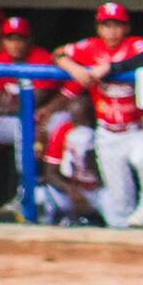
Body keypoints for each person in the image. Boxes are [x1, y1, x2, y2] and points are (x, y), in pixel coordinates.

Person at [54, 2, 143, 229]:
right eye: (106, 25)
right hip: (108, 132)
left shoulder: (135, 44)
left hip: (136, 128)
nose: (112, 31)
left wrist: (110, 68)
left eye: (117, 25)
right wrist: (74, 68)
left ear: (127, 27)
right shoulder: (91, 47)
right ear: (98, 28)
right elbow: (58, 52)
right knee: (120, 198)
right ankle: (128, 243)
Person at [0, 16, 58, 211]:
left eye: (20, 39)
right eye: (10, 39)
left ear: (30, 40)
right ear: (3, 40)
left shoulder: (41, 58)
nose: (15, 44)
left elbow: (32, 102)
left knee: (21, 128)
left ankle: (25, 194)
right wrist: (9, 106)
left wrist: (9, 105)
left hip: (39, 124)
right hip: (8, 122)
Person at [37, 95, 113, 226]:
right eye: (75, 119)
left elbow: (110, 175)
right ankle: (55, 223)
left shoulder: (103, 132)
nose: (78, 124)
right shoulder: (64, 130)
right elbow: (50, 173)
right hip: (71, 189)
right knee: (39, 195)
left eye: (82, 119)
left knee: (113, 205)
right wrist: (71, 190)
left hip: (97, 190)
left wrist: (89, 150)